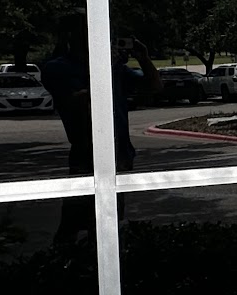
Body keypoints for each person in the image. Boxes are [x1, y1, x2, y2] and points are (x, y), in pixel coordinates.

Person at [41, 12, 161, 242]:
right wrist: (107, 67)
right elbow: (80, 100)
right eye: (90, 31)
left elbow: (154, 87)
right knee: (74, 222)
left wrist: (144, 59)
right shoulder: (58, 68)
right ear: (73, 36)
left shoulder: (114, 69)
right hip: (86, 154)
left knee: (108, 223)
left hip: (118, 154)